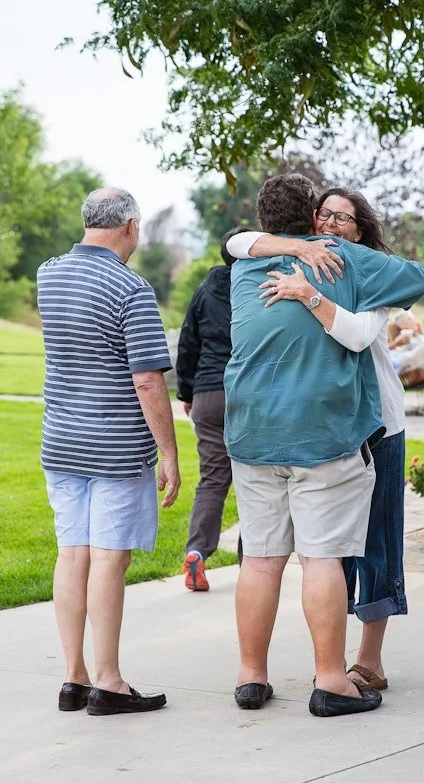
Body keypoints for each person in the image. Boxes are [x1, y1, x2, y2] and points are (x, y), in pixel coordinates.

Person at [224, 174, 424, 718]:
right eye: (326, 217)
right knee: (322, 560)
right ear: (313, 217)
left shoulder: (244, 266)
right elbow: (419, 276)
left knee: (262, 560)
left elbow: (235, 240)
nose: (332, 226)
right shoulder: (343, 258)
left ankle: (251, 677)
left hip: (252, 434)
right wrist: (319, 254)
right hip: (323, 436)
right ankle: (331, 682)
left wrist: (296, 258)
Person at [36, 187, 180, 716]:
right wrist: (168, 451)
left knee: (72, 555)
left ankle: (73, 679)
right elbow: (147, 380)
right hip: (115, 447)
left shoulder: (48, 275)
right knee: (107, 562)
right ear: (131, 227)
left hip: (61, 440)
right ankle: (109, 681)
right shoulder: (131, 288)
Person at [174, 230, 241, 592]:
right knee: (254, 479)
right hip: (248, 394)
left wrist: (188, 391)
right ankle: (255, 560)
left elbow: (188, 343)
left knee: (213, 478)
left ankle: (197, 551)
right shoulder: (257, 288)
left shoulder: (205, 290)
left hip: (208, 394)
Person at [387, 308, 424, 373]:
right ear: (402, 325)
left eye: (412, 319)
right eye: (409, 319)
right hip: (403, 357)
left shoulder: (419, 335)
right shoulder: (402, 336)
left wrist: (420, 333)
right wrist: (395, 344)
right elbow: (396, 351)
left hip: (421, 352)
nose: (414, 321)